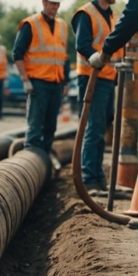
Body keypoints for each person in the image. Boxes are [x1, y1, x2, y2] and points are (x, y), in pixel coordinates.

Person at [72, 0, 124, 192]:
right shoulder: (85, 13)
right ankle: (89, 178)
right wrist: (94, 57)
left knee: (101, 128)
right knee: (93, 128)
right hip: (91, 77)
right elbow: (82, 44)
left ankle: (97, 177)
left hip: (108, 78)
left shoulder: (112, 15)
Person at [13, 0, 70, 154]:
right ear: (44, 2)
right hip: (37, 83)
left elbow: (64, 56)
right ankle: (30, 159)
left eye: (57, 4)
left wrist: (66, 82)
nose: (55, 7)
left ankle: (44, 161)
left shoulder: (62, 26)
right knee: (35, 125)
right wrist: (25, 79)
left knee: (51, 126)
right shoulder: (30, 24)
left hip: (56, 83)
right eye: (52, 4)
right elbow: (17, 54)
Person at [89, 0, 138, 67]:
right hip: (90, 72)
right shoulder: (87, 12)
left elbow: (131, 20)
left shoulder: (114, 15)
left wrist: (106, 50)